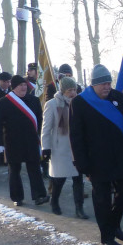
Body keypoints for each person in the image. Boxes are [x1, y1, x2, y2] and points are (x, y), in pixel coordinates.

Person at [70, 64, 123, 245]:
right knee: (102, 200)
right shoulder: (80, 103)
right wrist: (81, 163)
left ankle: (114, 223)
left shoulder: (120, 98)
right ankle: (106, 238)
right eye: (103, 84)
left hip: (121, 157)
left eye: (109, 83)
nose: (107, 87)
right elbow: (76, 136)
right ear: (93, 85)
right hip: (96, 161)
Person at [0, 74, 49, 206]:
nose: (23, 87)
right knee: (14, 170)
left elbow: (40, 121)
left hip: (31, 141)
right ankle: (17, 197)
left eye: (24, 85)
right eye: (20, 85)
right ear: (14, 87)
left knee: (34, 168)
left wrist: (41, 137)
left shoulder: (34, 100)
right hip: (13, 142)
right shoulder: (3, 102)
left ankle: (39, 195)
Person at [41, 76, 87, 218]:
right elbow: (46, 128)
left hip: (77, 148)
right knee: (59, 179)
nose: (72, 93)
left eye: (74, 89)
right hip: (60, 148)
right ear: (62, 91)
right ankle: (54, 201)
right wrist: (46, 147)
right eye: (69, 90)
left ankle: (79, 209)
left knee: (78, 179)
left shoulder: (80, 103)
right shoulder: (53, 104)